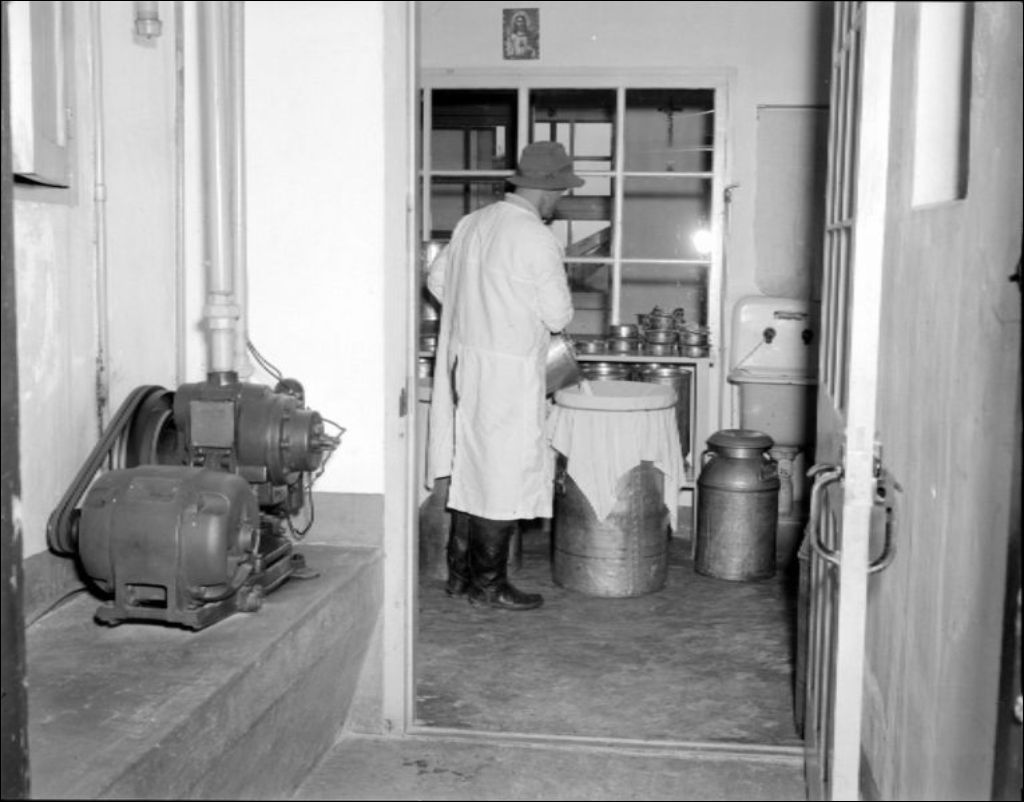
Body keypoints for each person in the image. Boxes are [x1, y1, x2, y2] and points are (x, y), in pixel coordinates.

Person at [426, 141, 584, 611]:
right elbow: (558, 315)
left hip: (466, 367)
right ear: (547, 191)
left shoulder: (472, 223)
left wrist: (479, 311)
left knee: (471, 468)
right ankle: (488, 585)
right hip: (509, 374)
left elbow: (437, 279)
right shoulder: (536, 237)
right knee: (502, 476)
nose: (559, 201)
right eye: (560, 192)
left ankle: (460, 577)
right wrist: (509, 313)